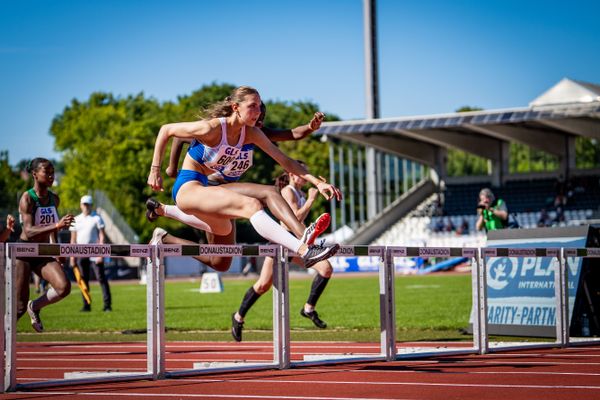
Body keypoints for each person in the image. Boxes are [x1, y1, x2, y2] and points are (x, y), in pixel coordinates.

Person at [146, 86, 340, 272]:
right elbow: (167, 130)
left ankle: (162, 223)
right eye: (252, 106)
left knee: (221, 262)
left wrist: (318, 182)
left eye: (260, 106)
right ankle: (305, 248)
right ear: (235, 107)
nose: (257, 112)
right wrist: (158, 169)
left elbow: (285, 160)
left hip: (216, 191)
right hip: (188, 188)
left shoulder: (252, 133)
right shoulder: (212, 128)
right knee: (253, 204)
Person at [231, 165, 334, 341]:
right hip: (281, 242)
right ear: (292, 175)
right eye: (303, 173)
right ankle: (238, 317)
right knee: (263, 285)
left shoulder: (299, 193)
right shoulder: (288, 191)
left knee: (326, 268)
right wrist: (310, 200)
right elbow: (293, 219)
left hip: (295, 245)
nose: (305, 177)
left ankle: (308, 308)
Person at [16, 157, 75, 332]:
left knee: (64, 287)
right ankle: (4, 338)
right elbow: (28, 231)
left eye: (52, 172)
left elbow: (54, 229)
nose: (51, 176)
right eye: (46, 172)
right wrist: (57, 225)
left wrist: (57, 249)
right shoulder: (27, 198)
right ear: (34, 174)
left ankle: (34, 306)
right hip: (24, 252)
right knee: (18, 307)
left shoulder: (54, 199)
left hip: (43, 251)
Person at [70, 194, 112, 312]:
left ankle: (107, 305)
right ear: (80, 205)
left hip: (95, 253)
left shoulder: (97, 218)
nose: (86, 207)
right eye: (84, 204)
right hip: (81, 253)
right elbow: (73, 239)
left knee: (101, 278)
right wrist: (72, 256)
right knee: (83, 279)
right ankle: (86, 305)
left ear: (91, 205)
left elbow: (102, 236)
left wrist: (101, 254)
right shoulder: (76, 220)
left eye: (88, 204)